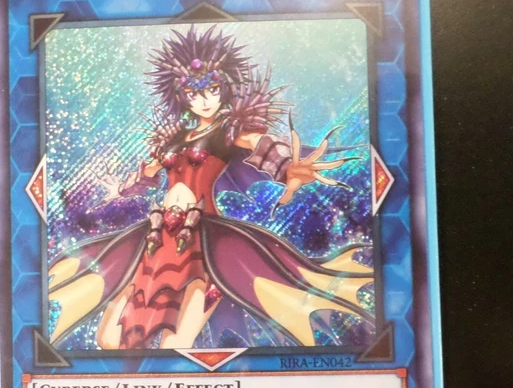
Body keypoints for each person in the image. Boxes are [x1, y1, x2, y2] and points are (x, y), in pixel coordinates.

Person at [48, 25, 374, 350]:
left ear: (224, 89)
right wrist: (121, 189)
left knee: (175, 345)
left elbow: (261, 144)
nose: (205, 100)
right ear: (183, 97)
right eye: (194, 93)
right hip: (157, 236)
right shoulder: (175, 138)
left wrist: (289, 168)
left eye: (212, 90)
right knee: (108, 339)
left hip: (200, 238)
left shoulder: (229, 131)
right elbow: (150, 172)